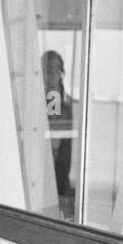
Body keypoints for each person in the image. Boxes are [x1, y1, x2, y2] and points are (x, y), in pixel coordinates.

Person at [42, 49, 75, 218]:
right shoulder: (52, 96)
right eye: (49, 69)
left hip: (59, 164)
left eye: (57, 68)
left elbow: (56, 127)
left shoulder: (61, 99)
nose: (53, 73)